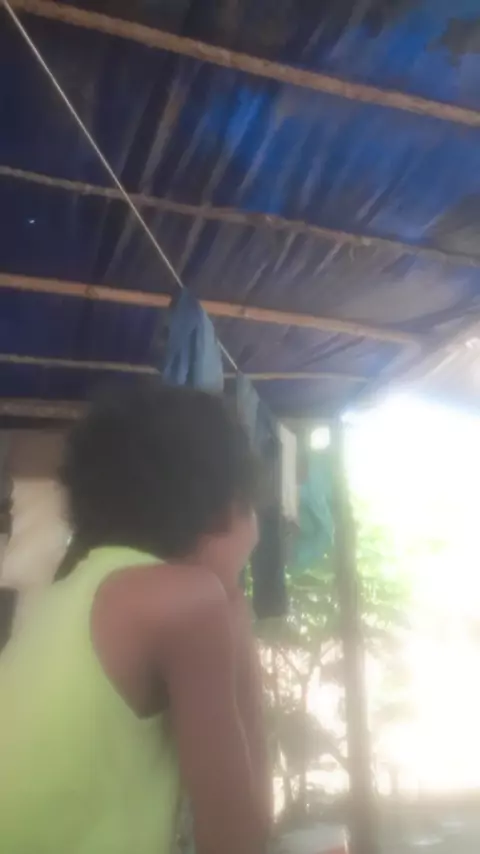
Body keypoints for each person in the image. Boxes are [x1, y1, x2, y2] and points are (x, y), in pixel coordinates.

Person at [0, 379, 271, 854]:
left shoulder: (64, 595)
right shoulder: (187, 600)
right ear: (229, 509)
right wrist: (234, 603)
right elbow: (242, 838)